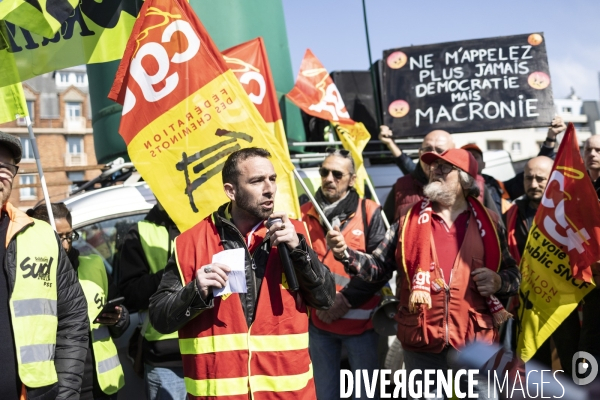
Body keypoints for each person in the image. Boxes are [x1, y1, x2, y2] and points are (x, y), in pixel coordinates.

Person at [327, 148, 520, 400]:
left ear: (465, 179)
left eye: (445, 167)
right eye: (433, 166)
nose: (435, 170)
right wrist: (345, 253)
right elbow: (377, 268)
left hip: (475, 344)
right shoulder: (408, 221)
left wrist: (498, 281)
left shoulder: (490, 223)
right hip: (422, 343)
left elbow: (513, 275)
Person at [148, 147, 335, 398]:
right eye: (257, 181)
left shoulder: (296, 233)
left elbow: (325, 299)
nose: (269, 188)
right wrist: (196, 291)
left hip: (287, 394)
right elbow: (160, 317)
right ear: (230, 191)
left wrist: (299, 251)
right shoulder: (190, 242)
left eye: (272, 178)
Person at [0, 131, 88, 399]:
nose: (0, 174)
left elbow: (73, 317)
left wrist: (66, 390)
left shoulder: (41, 235)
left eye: (6, 168)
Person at [301, 148, 386, 400]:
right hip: (319, 324)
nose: (329, 178)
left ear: (352, 179)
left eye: (338, 174)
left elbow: (381, 268)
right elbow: (297, 267)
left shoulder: (370, 212)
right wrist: (321, 304)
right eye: (324, 172)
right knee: (324, 394)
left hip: (362, 326)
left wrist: (345, 300)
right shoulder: (304, 212)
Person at [28, 203, 130, 400]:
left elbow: (118, 309)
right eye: (58, 237)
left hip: (103, 384)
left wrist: (119, 317)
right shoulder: (33, 275)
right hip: (60, 386)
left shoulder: (94, 265)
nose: (66, 244)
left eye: (69, 236)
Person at [504, 156, 580, 376]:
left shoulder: (571, 212)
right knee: (536, 370)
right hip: (527, 306)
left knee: (571, 364)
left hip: (564, 304)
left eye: (540, 178)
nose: (534, 184)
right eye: (529, 178)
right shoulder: (511, 214)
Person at [118, 203, 183, 399]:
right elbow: (131, 293)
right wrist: (175, 274)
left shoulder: (212, 223)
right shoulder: (140, 231)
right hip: (165, 358)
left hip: (212, 352)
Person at [380, 127, 455, 221]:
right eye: (428, 149)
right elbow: (385, 225)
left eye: (440, 151)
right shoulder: (401, 186)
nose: (432, 155)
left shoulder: (462, 187)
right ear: (420, 153)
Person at [579, 135, 600, 365]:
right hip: (585, 276)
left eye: (598, 150)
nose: (592, 154)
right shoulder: (576, 186)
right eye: (588, 150)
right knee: (588, 340)